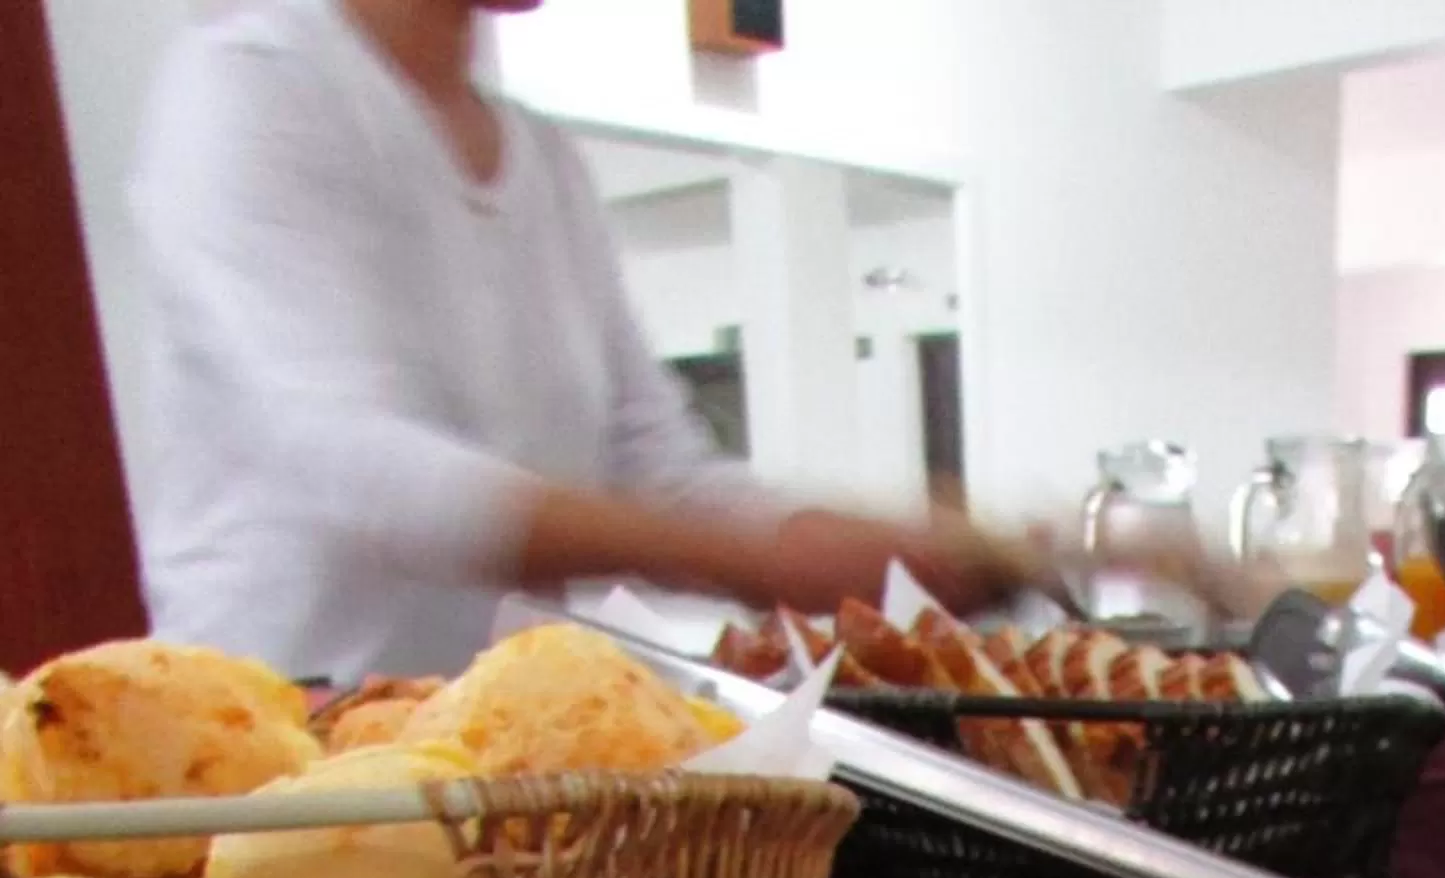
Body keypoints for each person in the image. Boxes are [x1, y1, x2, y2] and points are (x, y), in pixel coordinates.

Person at [128, 0, 1028, 681]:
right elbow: (361, 468)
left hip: (473, 754)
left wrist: (884, 546)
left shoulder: (544, 161)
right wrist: (753, 560)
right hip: (279, 755)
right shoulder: (255, 84)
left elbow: (658, 472)